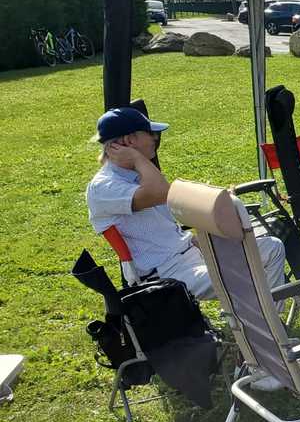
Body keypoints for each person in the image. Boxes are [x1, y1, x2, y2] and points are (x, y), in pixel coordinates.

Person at [87, 106, 287, 301]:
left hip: (190, 255)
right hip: (168, 275)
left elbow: (170, 214)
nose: (155, 138)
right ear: (129, 140)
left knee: (271, 248)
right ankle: (264, 319)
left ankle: (266, 317)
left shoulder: (139, 174)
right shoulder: (104, 187)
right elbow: (161, 192)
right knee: (244, 274)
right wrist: (136, 157)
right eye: (149, 133)